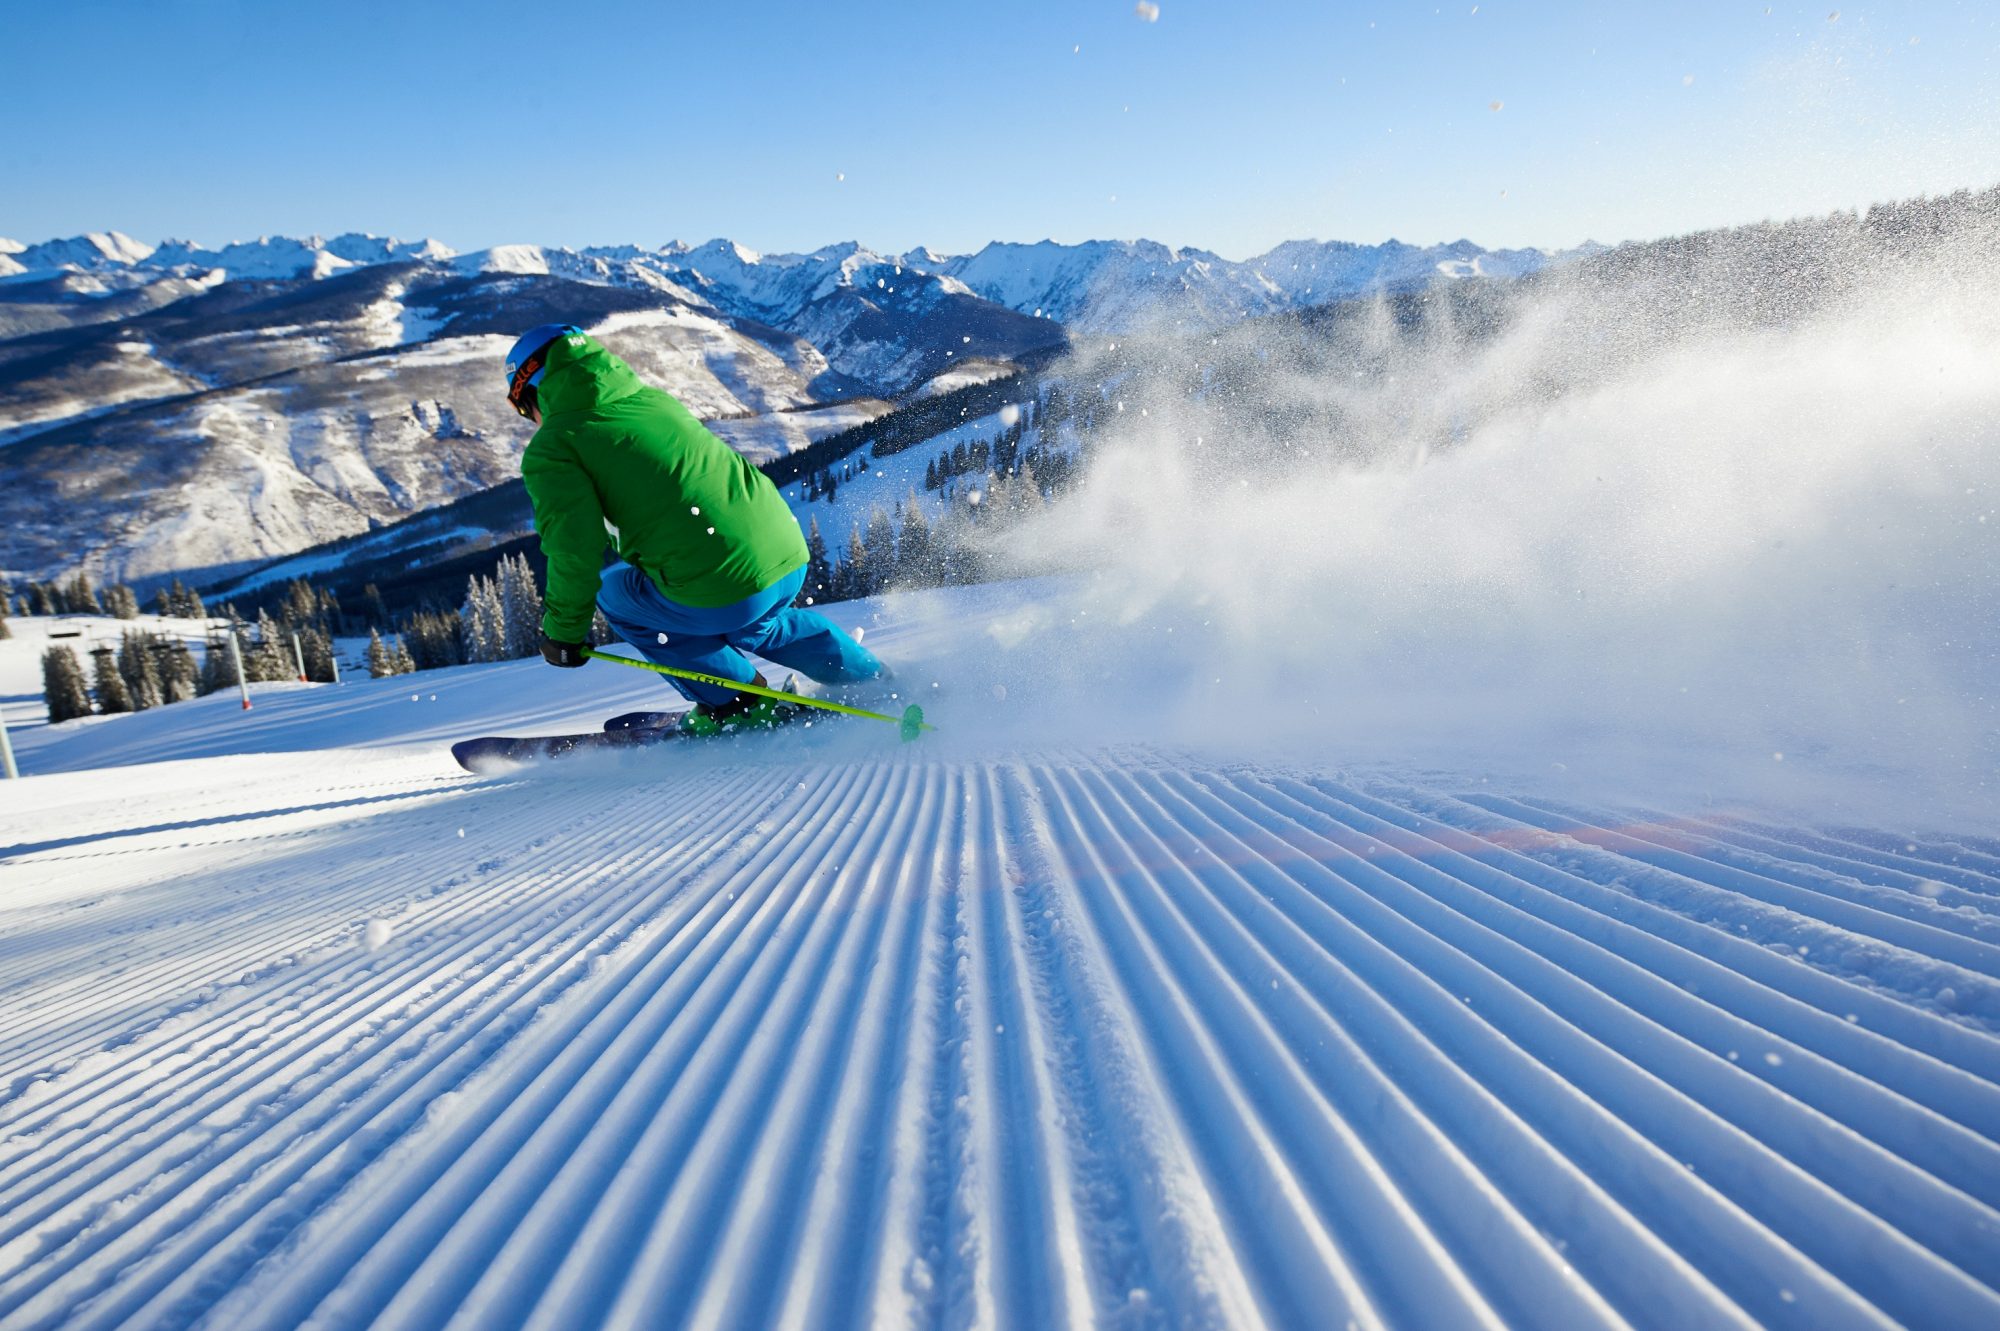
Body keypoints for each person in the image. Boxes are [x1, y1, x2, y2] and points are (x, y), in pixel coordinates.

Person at [506, 323, 885, 734]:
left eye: (525, 410)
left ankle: (738, 703)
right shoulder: (651, 401)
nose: (532, 421)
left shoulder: (556, 446)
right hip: (786, 555)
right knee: (762, 624)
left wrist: (563, 634)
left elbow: (573, 549)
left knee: (615, 594)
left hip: (723, 585)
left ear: (533, 390)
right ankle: (874, 681)